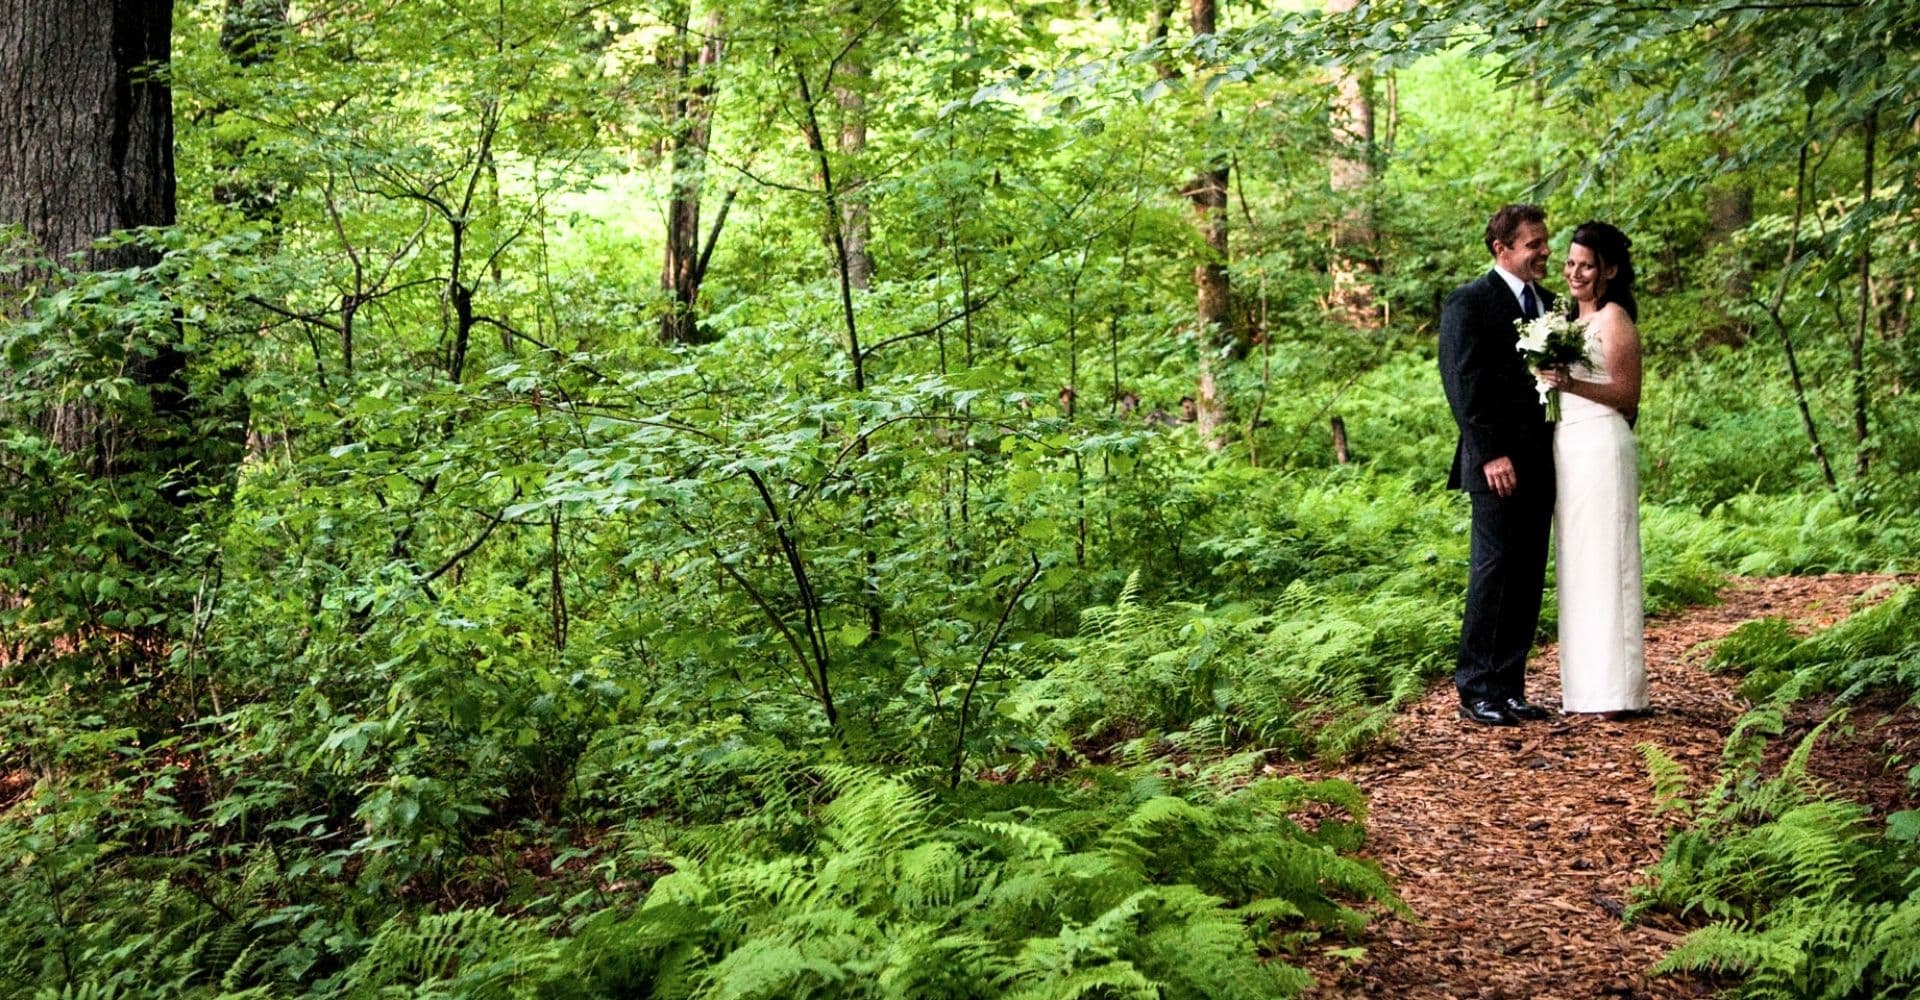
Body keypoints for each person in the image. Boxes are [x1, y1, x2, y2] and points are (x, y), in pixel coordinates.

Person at [1438, 204, 1557, 727]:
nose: (1544, 251)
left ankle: (1510, 686)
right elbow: (1463, 384)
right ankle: (1476, 688)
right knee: (1493, 571)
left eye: (1545, 241)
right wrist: (1490, 453)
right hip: (1496, 465)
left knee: (1529, 573)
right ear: (1501, 249)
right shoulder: (1469, 302)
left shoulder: (1551, 307)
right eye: (1533, 243)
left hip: (1545, 461)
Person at [1539, 221, 1647, 717]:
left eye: (1585, 264)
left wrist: (1568, 384)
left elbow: (1627, 396)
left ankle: (1619, 691)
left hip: (1603, 443)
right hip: (1568, 447)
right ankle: (1583, 690)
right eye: (1570, 262)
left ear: (1609, 270)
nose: (1574, 272)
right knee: (1578, 563)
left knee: (1608, 562)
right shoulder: (1563, 320)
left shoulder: (1614, 320)